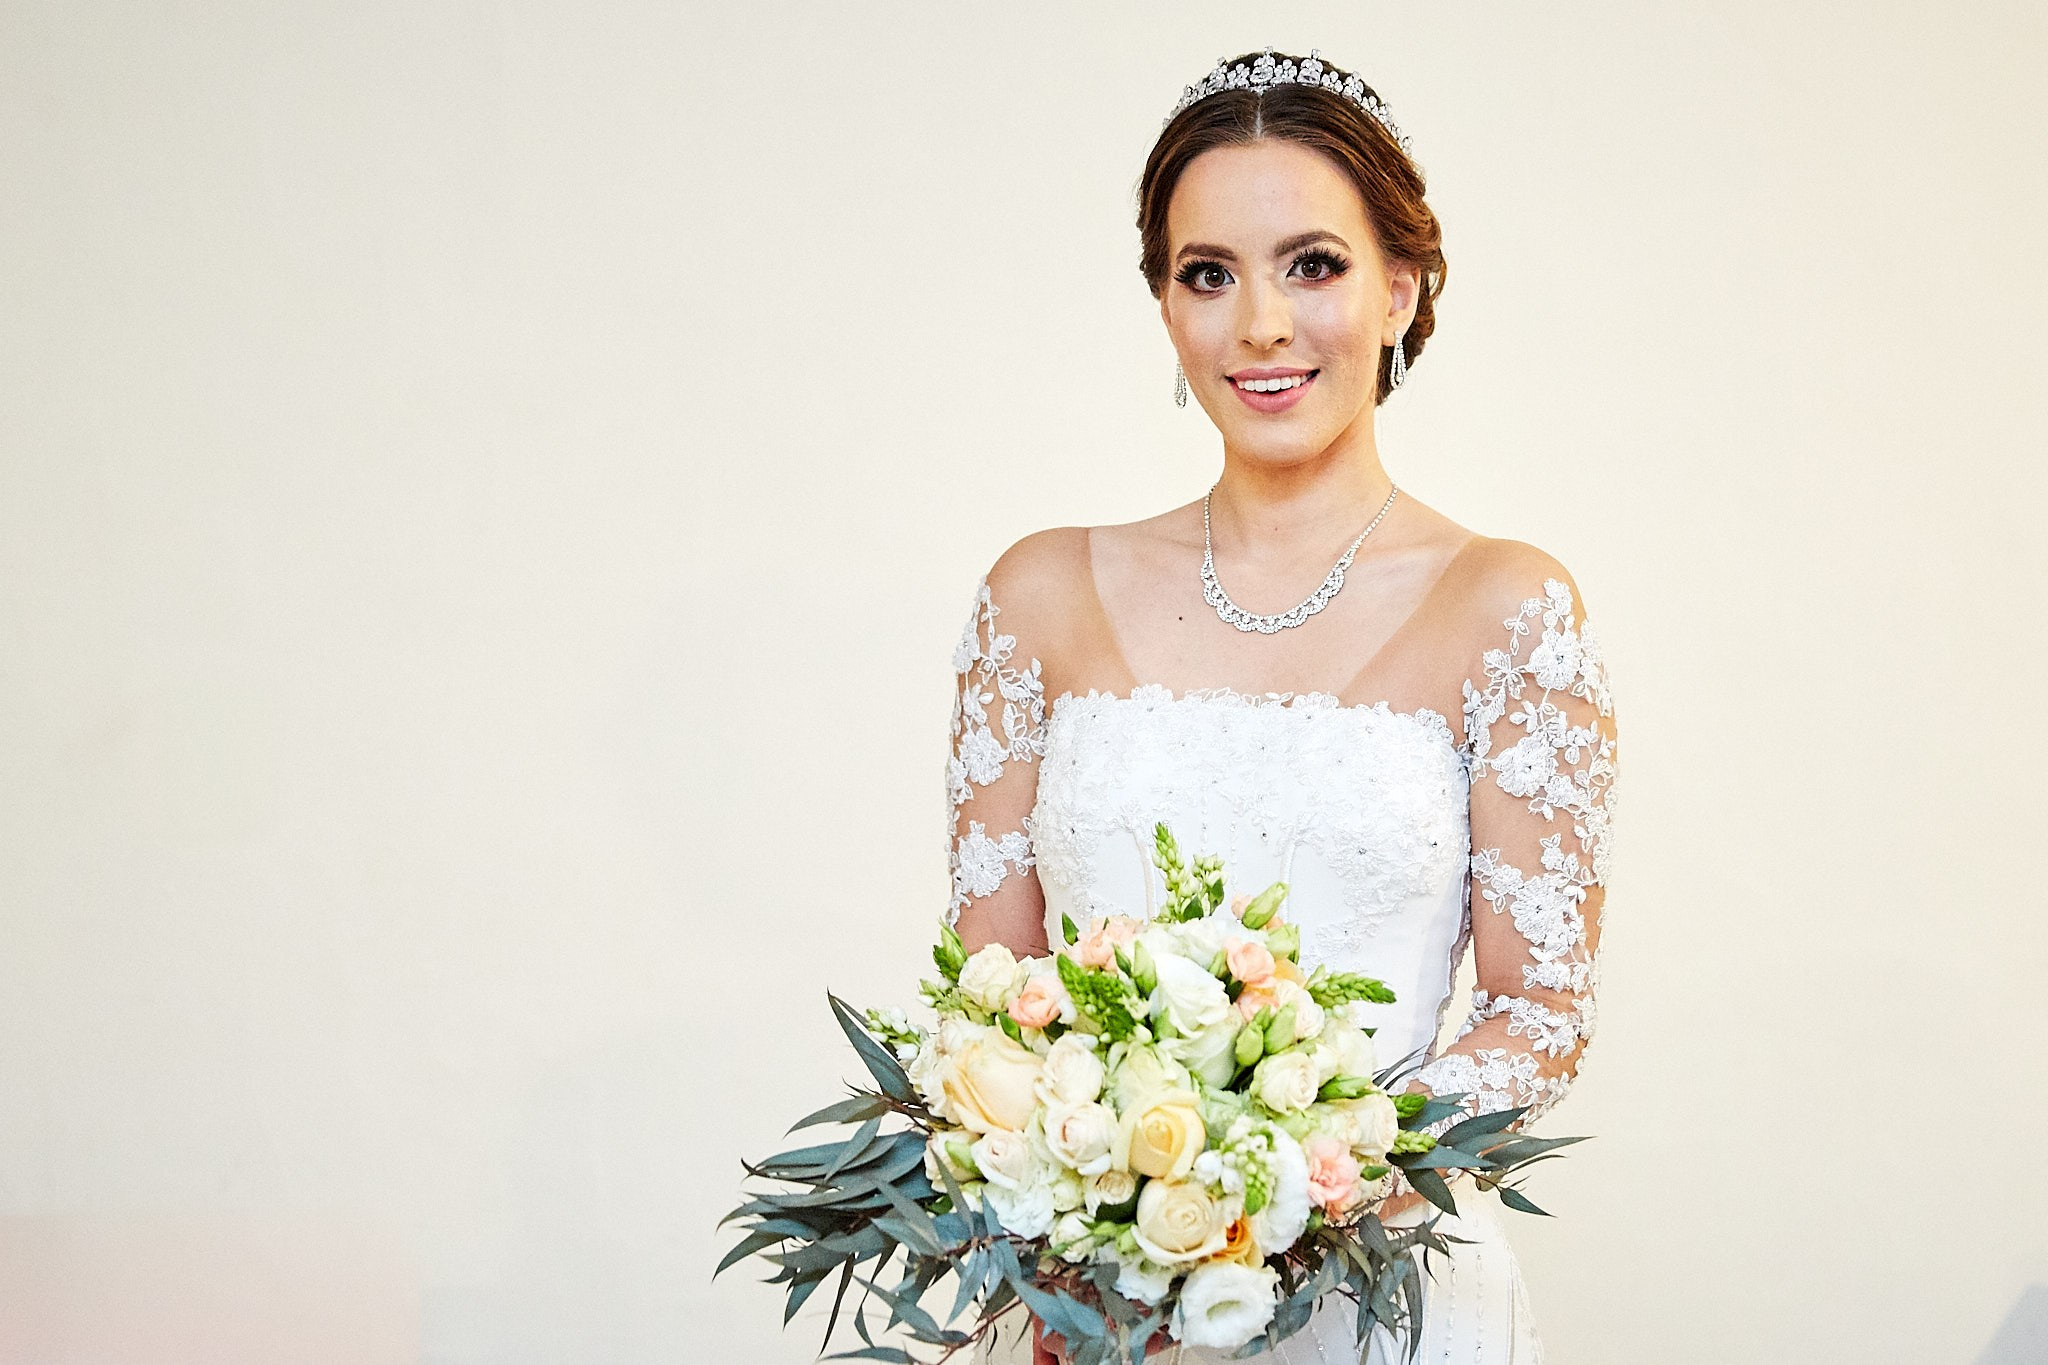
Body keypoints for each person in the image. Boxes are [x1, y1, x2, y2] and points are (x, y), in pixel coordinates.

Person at [945, 49, 1618, 1363]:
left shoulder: (1509, 607)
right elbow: (993, 1002)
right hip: (1096, 1313)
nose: (1260, 323)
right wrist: (1097, 1213)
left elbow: (1539, 1014)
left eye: (1312, 264)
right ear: (1165, 307)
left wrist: (1288, 1183)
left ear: (1399, 288)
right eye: (1210, 274)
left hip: (1386, 1297)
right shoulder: (1036, 597)